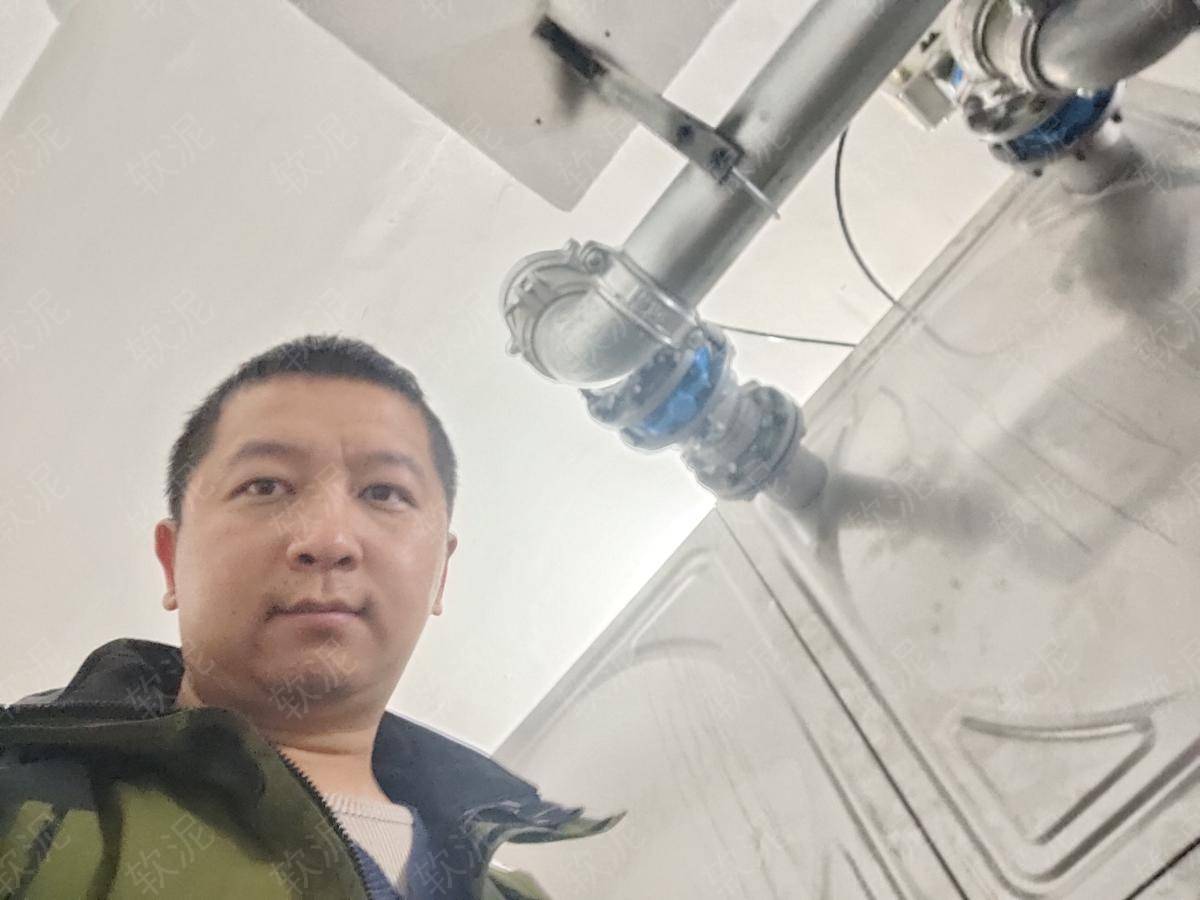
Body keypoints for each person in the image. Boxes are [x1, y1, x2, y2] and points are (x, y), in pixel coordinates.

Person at [0, 334, 622, 899]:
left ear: (441, 575)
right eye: (265, 486)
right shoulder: (25, 812)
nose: (329, 540)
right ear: (172, 562)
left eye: (384, 492)